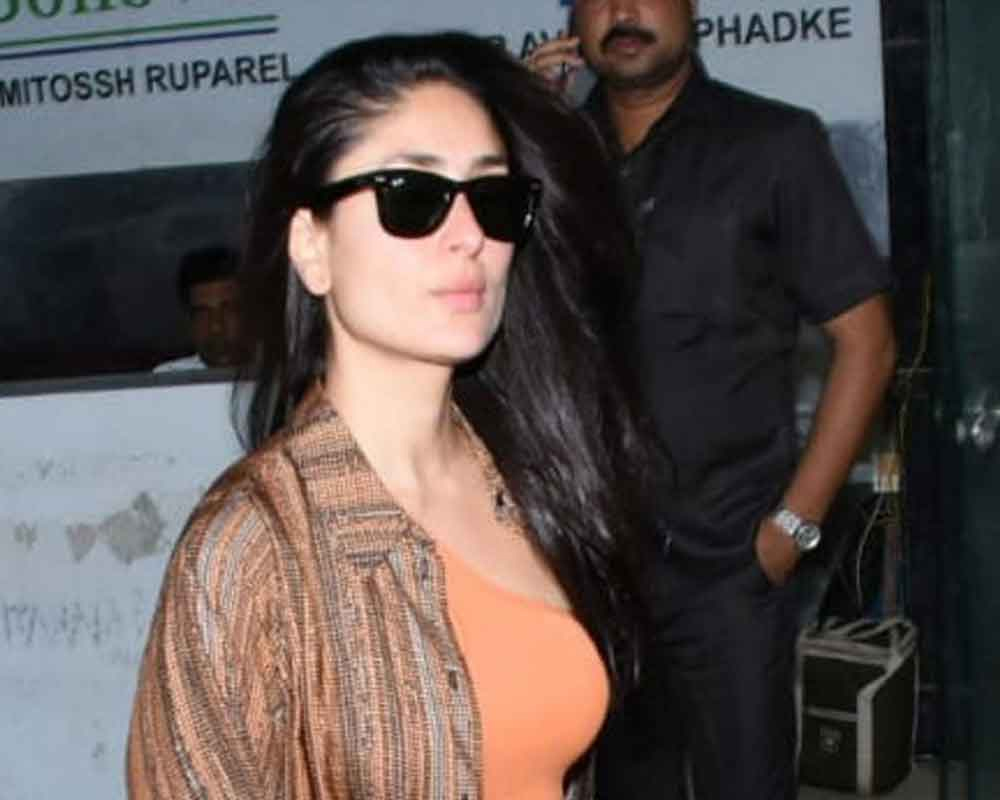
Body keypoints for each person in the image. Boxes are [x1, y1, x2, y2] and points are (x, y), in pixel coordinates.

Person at [127, 31, 653, 800]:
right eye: (412, 197)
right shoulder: (252, 547)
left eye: (493, 197)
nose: (469, 236)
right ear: (312, 247)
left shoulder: (530, 472)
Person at [529, 2, 897, 799]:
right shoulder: (553, 158)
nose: (624, 12)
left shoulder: (772, 144)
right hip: (598, 564)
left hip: (732, 562)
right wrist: (515, 133)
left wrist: (794, 528)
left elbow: (868, 343)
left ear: (691, 8)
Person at [154, 244, 247, 371]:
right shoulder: (168, 378)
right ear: (189, 322)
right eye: (203, 315)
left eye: (228, 310)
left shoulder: (273, 375)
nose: (216, 327)